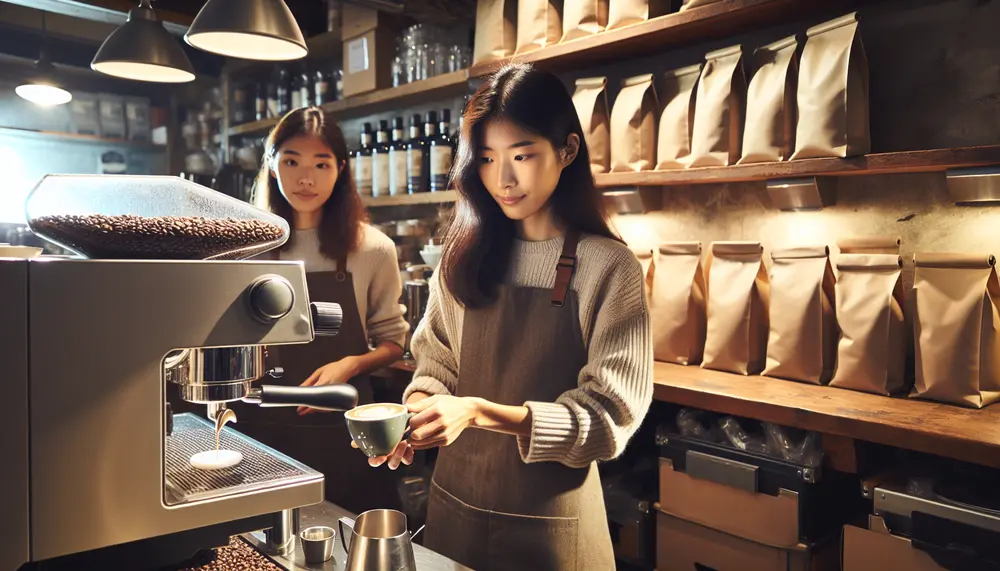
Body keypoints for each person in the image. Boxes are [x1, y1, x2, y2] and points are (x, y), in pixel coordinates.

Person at [363, 64, 654, 570]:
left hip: (553, 533)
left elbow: (608, 420)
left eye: (522, 155)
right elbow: (434, 369)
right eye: (487, 158)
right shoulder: (463, 255)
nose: (504, 179)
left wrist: (478, 412)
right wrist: (416, 416)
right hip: (455, 515)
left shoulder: (608, 267)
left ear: (566, 151)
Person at [234, 107, 409, 515]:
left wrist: (350, 363)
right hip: (263, 425)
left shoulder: (372, 248)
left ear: (341, 169)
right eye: (291, 161)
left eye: (321, 164)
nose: (306, 178)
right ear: (273, 167)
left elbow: (394, 343)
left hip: (344, 429)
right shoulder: (245, 246)